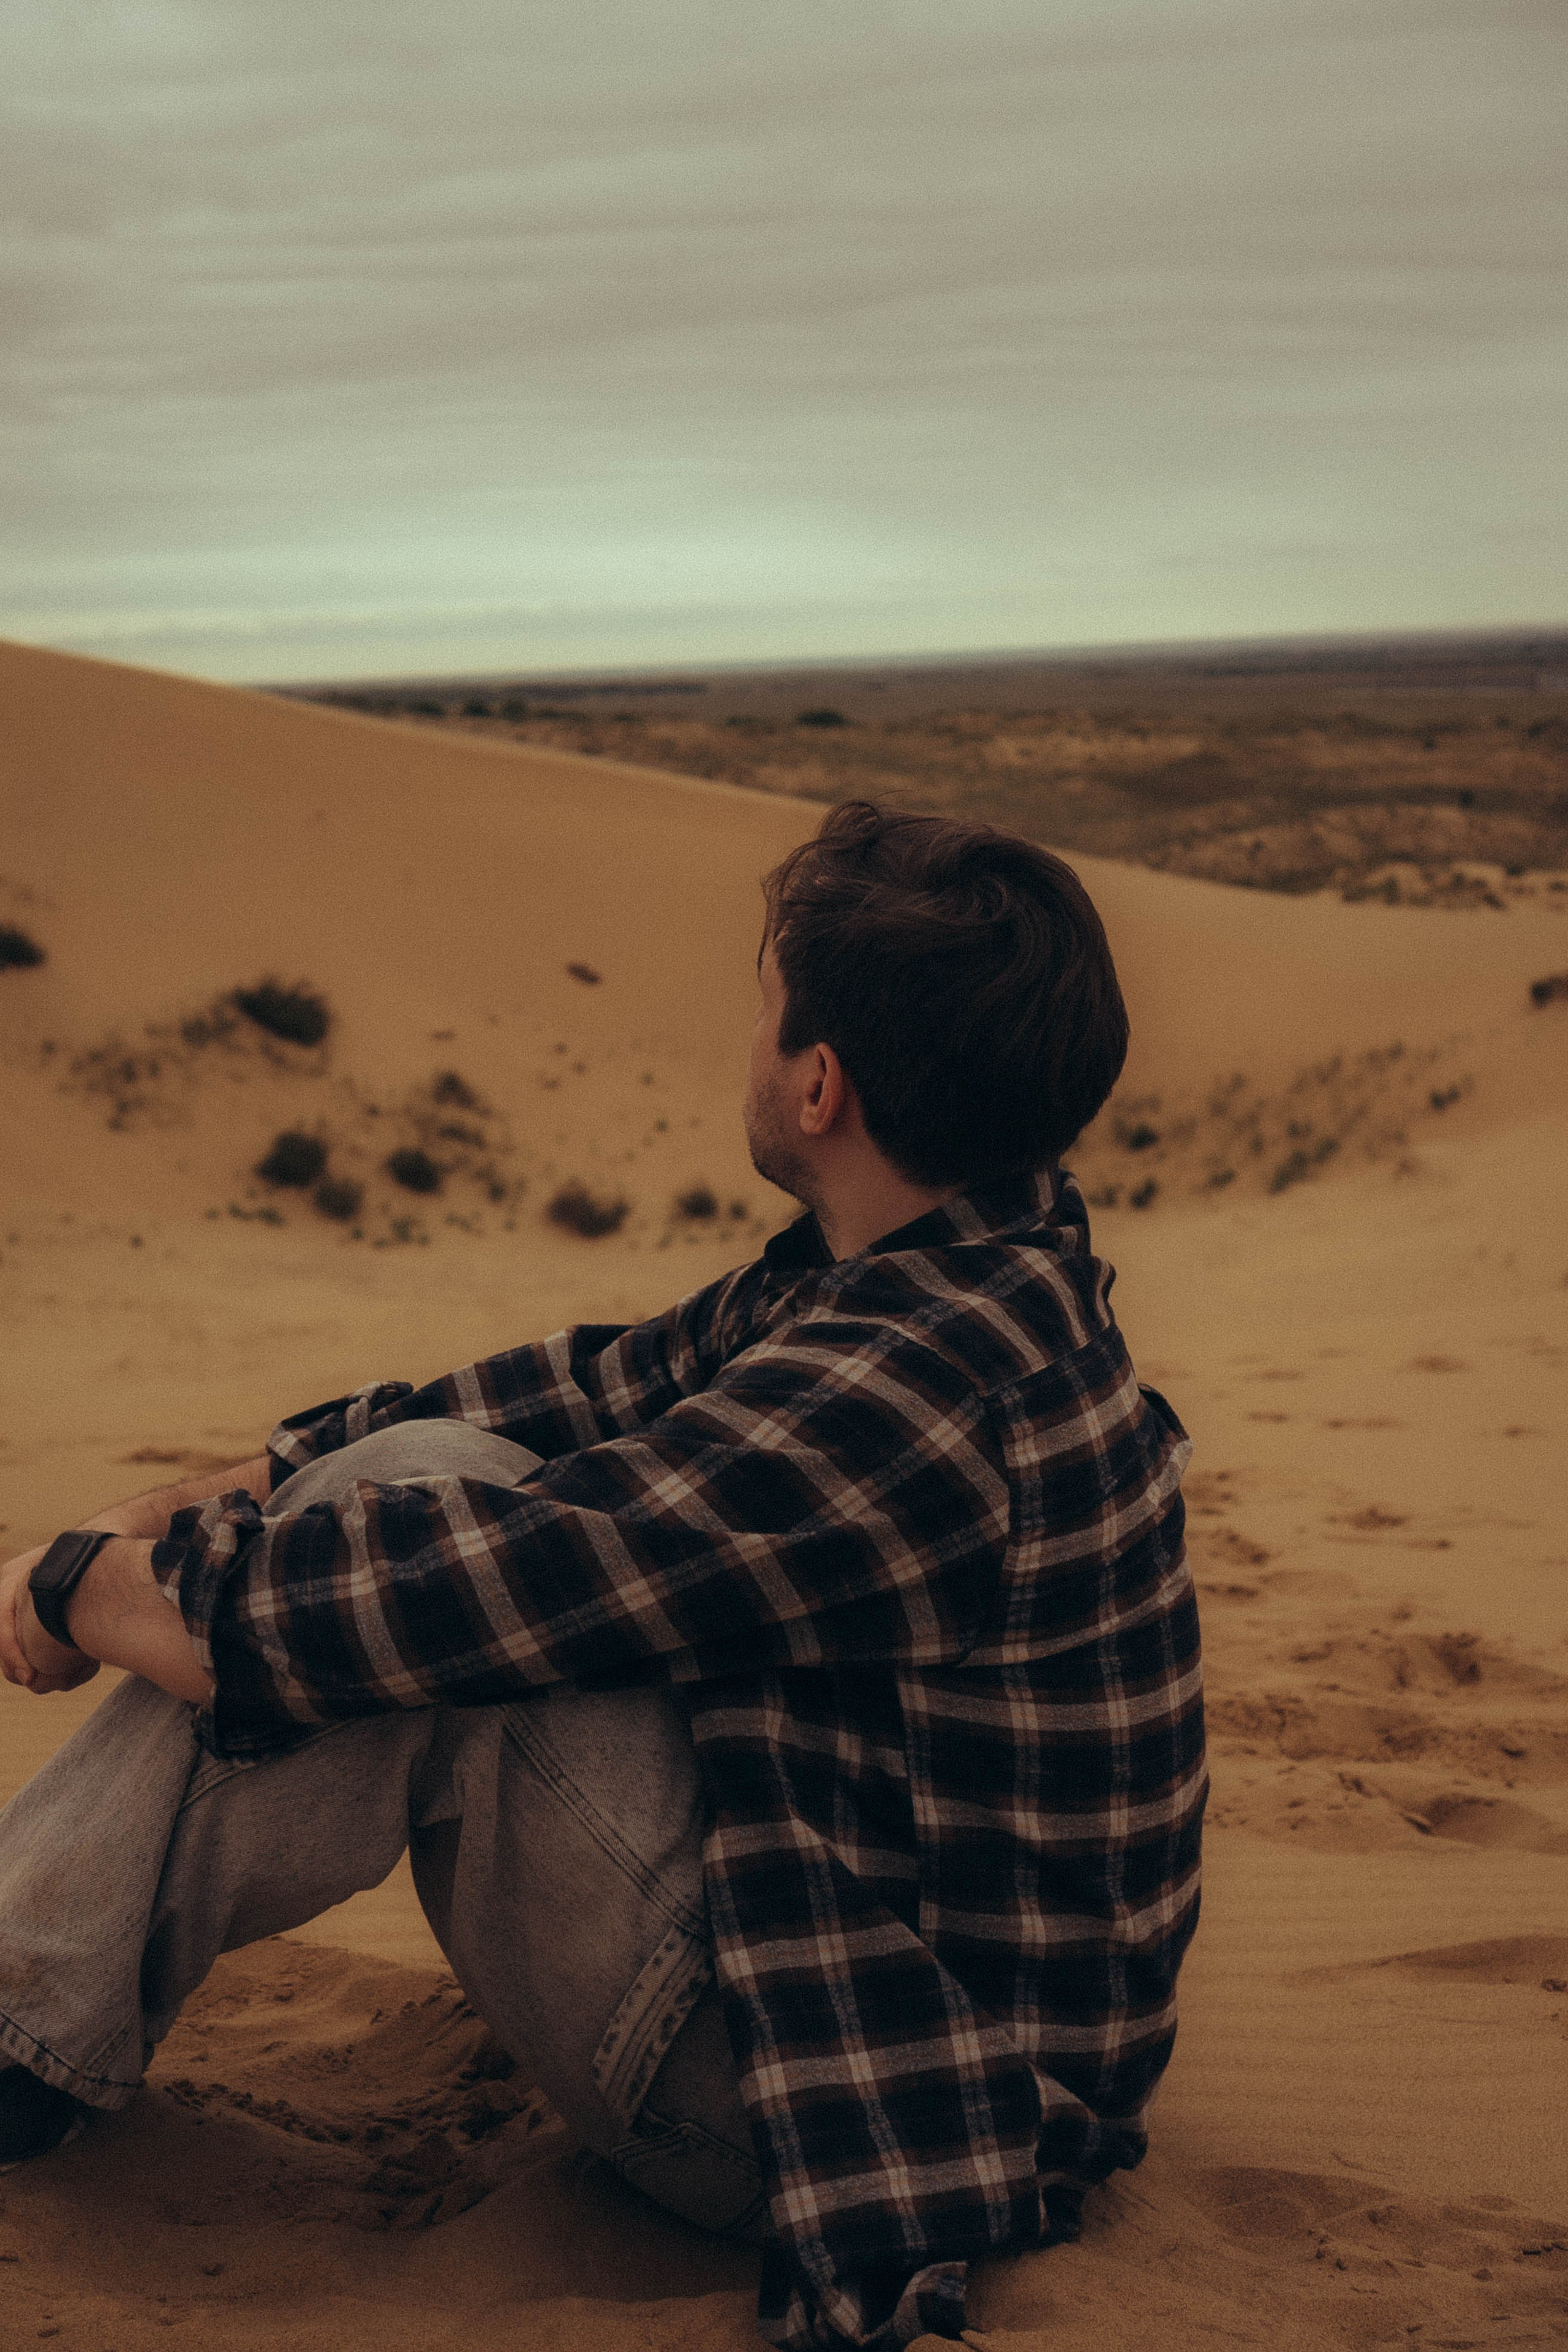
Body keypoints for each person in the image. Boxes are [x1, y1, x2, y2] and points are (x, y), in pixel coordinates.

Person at [0, 801, 1204, 2352]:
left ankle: (18, 2025)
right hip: (842, 1940)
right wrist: (246, 1483)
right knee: (403, 1494)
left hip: (856, 2118)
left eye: (768, 1012)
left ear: (819, 1083)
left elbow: (460, 1597)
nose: (753, 1043)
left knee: (419, 1608)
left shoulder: (920, 1393)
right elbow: (593, 1389)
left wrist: (90, 1586)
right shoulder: (951, 1262)